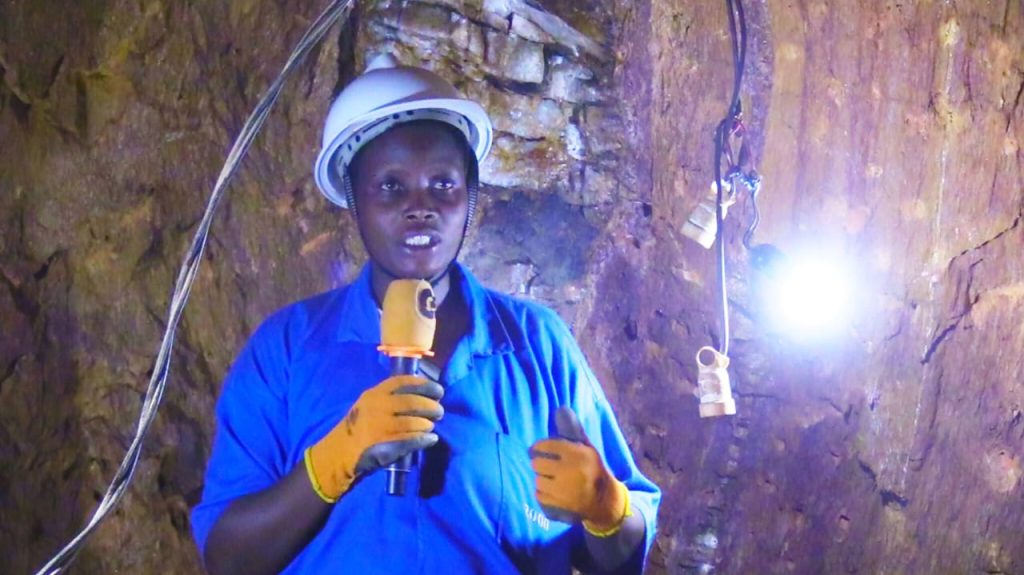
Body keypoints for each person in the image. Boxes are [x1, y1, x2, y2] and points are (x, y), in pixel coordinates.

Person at [191, 53, 661, 575]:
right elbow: (228, 559)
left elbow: (619, 560)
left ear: (471, 195)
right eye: (391, 186)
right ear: (355, 201)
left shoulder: (538, 343)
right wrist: (332, 462)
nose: (421, 206)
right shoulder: (285, 349)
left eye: (443, 184)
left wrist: (606, 509)